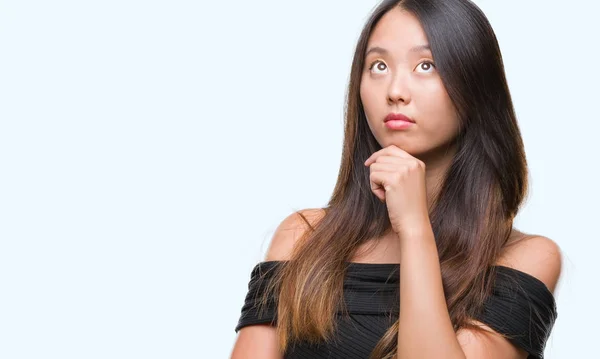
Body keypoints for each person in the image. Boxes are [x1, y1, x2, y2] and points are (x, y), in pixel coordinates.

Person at [230, 0, 562, 358]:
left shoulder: (523, 257)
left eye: (426, 65)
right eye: (379, 66)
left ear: (475, 85)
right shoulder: (303, 237)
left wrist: (414, 229)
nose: (395, 91)